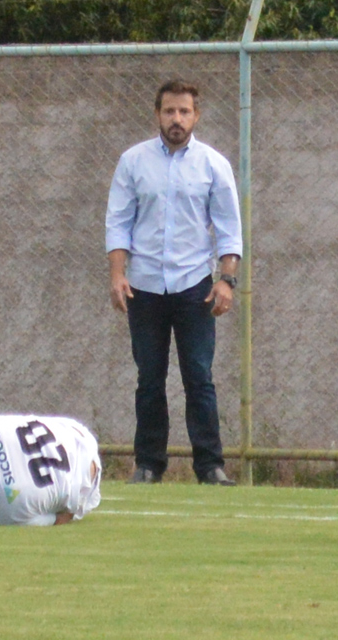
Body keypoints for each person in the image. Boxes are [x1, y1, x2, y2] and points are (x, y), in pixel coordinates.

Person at [106, 79, 242, 486]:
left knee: (198, 376)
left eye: (184, 111)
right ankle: (148, 465)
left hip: (194, 286)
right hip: (144, 286)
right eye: (169, 111)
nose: (176, 119)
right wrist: (117, 274)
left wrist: (227, 280)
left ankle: (210, 466)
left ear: (196, 116)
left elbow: (229, 227)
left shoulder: (214, 165)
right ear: (158, 114)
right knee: (149, 377)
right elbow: (118, 222)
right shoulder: (133, 162)